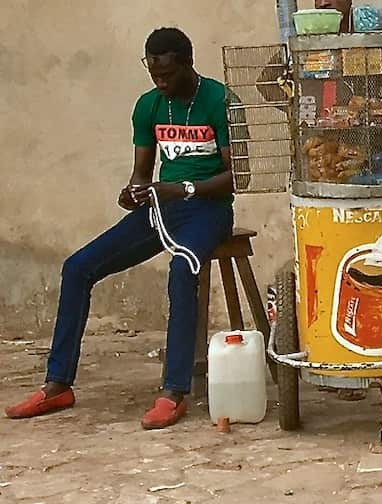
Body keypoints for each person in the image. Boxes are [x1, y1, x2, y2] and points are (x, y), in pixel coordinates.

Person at [5, 28, 235, 429]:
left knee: (182, 270)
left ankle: (173, 391)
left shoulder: (220, 101)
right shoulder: (148, 106)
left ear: (187, 63)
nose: (160, 82)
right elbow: (142, 173)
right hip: (162, 207)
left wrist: (184, 187)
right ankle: (59, 383)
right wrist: (133, 193)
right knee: (78, 267)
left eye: (166, 74)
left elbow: (238, 176)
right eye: (153, 74)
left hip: (208, 209)